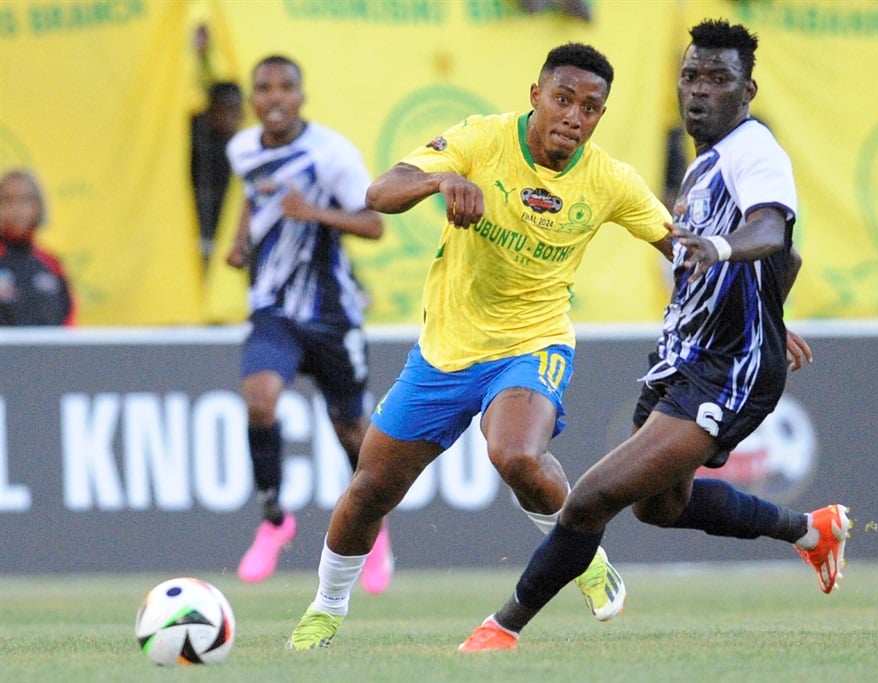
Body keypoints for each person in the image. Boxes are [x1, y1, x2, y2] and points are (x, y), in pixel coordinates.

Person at [457, 19, 851, 652]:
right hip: (685, 358)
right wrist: (771, 313)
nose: (699, 91)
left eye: (718, 80)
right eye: (690, 76)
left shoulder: (756, 150)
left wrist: (726, 256)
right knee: (658, 506)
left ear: (747, 90)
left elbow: (772, 232)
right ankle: (812, 530)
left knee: (590, 499)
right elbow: (789, 262)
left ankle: (498, 630)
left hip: (727, 370)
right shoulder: (703, 167)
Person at [286, 42, 676, 650]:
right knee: (369, 492)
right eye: (563, 99)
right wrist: (443, 179)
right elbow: (379, 193)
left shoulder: (610, 181)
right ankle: (326, 608)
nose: (574, 117)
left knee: (517, 455)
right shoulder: (482, 139)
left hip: (534, 340)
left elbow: (685, 246)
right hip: (446, 351)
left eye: (591, 108)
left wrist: (760, 309)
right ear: (535, 96)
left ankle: (584, 556)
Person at [225, 55, 393, 593]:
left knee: (352, 431)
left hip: (331, 313)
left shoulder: (332, 155)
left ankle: (373, 527)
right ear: (254, 99)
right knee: (259, 399)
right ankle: (275, 521)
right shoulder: (243, 148)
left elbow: (373, 225)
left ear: (301, 96)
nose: (274, 97)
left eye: (285, 88)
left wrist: (314, 213)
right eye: (263, 88)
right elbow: (256, 195)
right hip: (273, 306)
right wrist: (241, 237)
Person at [0, 169, 75, 326]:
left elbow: (69, 321)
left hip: (50, 351)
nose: (18, 209)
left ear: (38, 206)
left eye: (25, 199)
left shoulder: (51, 264)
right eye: (8, 200)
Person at [192, 81, 244, 269]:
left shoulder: (242, 146)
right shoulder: (195, 139)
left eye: (236, 111)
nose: (231, 118)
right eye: (224, 110)